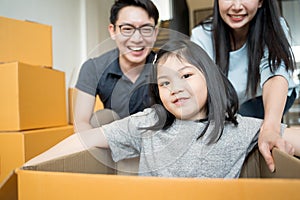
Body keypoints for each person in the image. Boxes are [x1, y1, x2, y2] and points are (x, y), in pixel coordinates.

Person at [25, 40, 300, 178]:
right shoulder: (148, 123)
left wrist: (275, 132)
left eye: (187, 76)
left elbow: (290, 138)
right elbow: (84, 138)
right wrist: (28, 167)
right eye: (165, 82)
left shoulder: (240, 128)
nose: (176, 88)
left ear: (211, 78)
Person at [190, 0, 297, 172]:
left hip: (267, 94)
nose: (237, 6)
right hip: (231, 102)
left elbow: (274, 73)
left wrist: (270, 128)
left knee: (263, 129)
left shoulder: (273, 25)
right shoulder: (202, 35)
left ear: (261, 2)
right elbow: (201, 88)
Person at [74, 0, 159, 132]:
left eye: (146, 29)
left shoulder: (165, 66)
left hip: (155, 138)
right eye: (127, 29)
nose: (137, 39)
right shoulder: (94, 67)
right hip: (114, 140)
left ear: (155, 33)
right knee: (102, 118)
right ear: (113, 31)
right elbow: (81, 123)